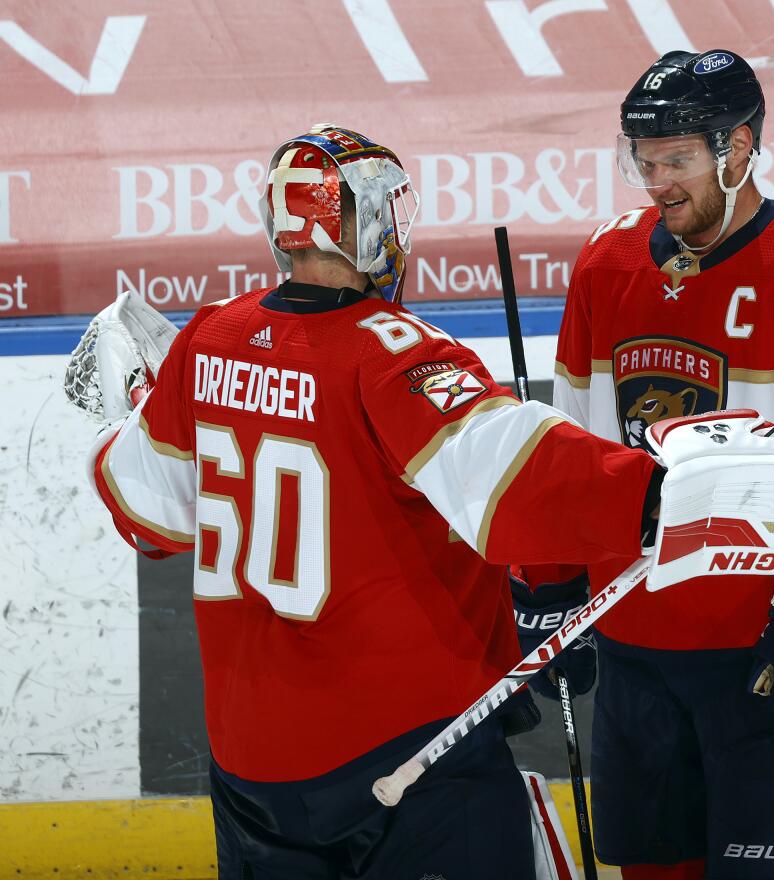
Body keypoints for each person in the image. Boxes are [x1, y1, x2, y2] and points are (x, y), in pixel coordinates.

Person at [81, 124, 667, 879]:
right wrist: (663, 490)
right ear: (362, 224)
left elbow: (146, 513)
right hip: (409, 754)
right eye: (385, 210)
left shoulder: (209, 340)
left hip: (252, 763)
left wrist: (120, 419)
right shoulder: (391, 352)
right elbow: (517, 471)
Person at [544, 51, 774, 880]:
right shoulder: (606, 262)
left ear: (739, 148)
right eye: (643, 162)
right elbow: (568, 440)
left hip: (764, 650)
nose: (657, 183)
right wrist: (546, 583)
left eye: (676, 160)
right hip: (633, 643)